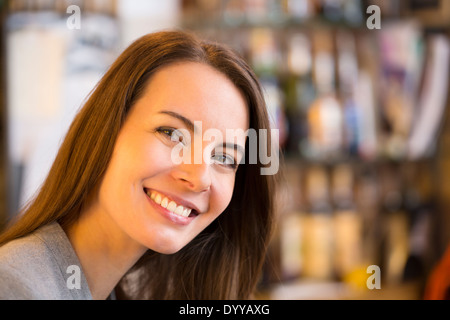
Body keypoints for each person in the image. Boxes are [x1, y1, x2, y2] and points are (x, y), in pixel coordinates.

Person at [0, 30, 278, 299]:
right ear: (105, 129)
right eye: (171, 134)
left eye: (224, 158)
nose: (199, 176)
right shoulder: (17, 287)